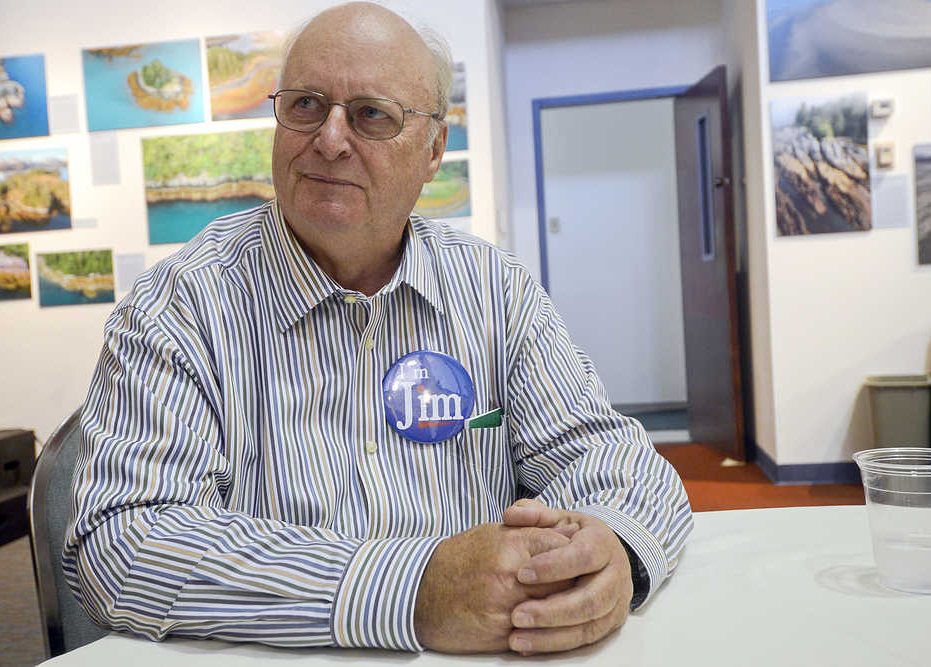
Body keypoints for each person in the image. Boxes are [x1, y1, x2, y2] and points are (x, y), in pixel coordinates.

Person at [64, 1, 692, 656]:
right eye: (306, 104)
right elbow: (123, 542)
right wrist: (410, 590)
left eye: (371, 114)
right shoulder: (179, 305)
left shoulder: (493, 290)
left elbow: (610, 457)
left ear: (433, 150)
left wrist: (610, 549)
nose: (330, 138)